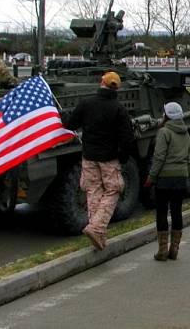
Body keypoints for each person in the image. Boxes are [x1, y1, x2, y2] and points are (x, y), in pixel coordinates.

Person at [65, 71, 133, 250]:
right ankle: (97, 228)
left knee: (92, 191)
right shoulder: (119, 109)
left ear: (101, 82)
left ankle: (97, 233)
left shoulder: (86, 104)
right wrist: (123, 156)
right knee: (114, 189)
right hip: (109, 158)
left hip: (89, 156)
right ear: (117, 88)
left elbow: (71, 124)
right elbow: (127, 137)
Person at [147, 102, 190, 261]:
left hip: (165, 178)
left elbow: (159, 158)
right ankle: (174, 249)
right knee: (177, 211)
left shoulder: (164, 132)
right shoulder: (186, 133)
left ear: (167, 115)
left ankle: (162, 250)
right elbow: (188, 157)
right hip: (181, 177)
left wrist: (151, 177)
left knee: (161, 212)